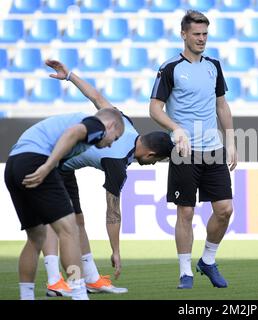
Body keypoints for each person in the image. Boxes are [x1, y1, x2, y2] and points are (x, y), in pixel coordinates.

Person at [40, 59, 174, 297]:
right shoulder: (117, 163)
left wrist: (70, 75)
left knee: (77, 222)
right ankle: (54, 281)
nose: (152, 164)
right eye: (156, 160)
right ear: (152, 154)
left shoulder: (127, 125)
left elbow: (98, 99)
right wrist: (116, 251)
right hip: (48, 158)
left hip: (64, 166)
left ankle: (91, 279)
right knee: (56, 221)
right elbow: (113, 213)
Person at [4, 85, 125, 300]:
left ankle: (26, 297)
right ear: (112, 125)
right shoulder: (95, 124)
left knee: (36, 237)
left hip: (13, 164)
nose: (109, 145)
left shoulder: (76, 124)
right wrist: (48, 165)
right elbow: (73, 133)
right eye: (114, 138)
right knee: (70, 230)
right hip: (36, 160)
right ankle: (80, 294)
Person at [149, 10, 237, 289]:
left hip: (214, 150)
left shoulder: (214, 66)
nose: (201, 39)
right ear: (184, 34)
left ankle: (208, 261)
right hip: (184, 152)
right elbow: (154, 108)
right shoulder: (170, 68)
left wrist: (231, 141)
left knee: (225, 210)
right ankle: (185, 271)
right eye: (196, 34)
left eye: (205, 34)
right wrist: (176, 129)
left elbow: (221, 105)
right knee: (185, 212)